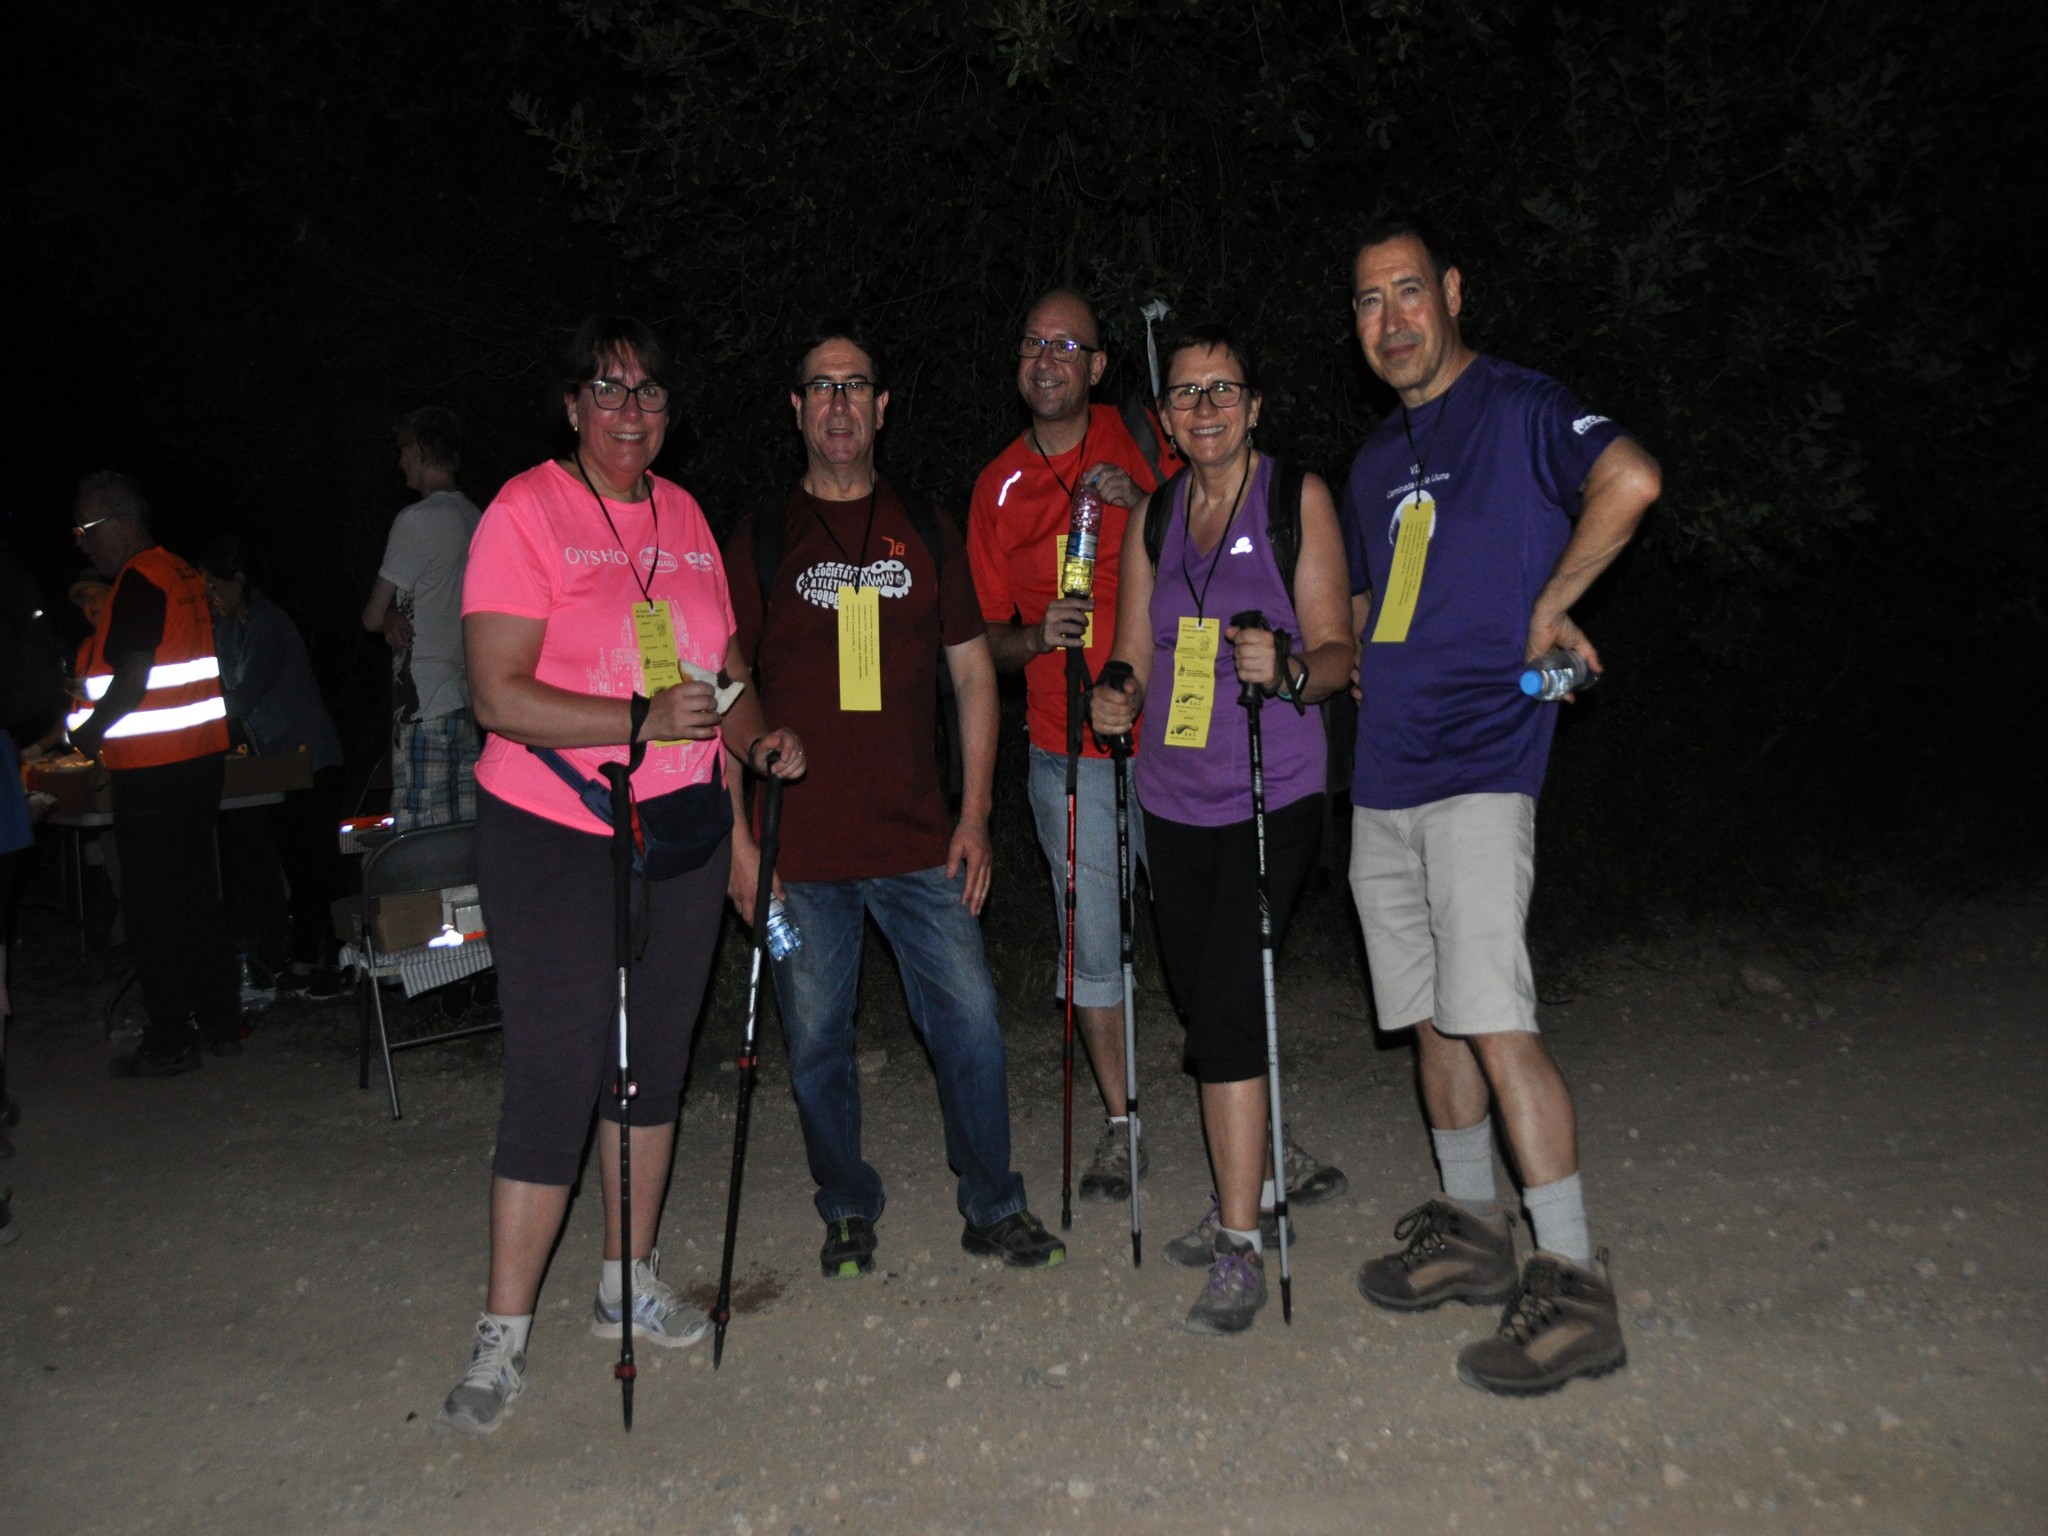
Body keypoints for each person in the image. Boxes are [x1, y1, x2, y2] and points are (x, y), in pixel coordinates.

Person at [439, 315, 803, 1436]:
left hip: (682, 833)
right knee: (556, 1072)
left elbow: (723, 675)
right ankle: (502, 1332)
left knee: (651, 1066)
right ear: (572, 405)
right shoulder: (525, 511)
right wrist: (637, 717)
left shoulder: (685, 517)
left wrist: (755, 746)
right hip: (555, 830)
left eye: (648, 392)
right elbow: (498, 693)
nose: (630, 410)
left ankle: (624, 1282)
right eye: (607, 388)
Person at [1339, 215, 1661, 1396]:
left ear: (1451, 293)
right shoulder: (1373, 462)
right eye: (1367, 302)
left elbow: (1630, 478)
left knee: (1491, 1016)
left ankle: (1570, 1281)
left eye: (1406, 292)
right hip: (1385, 775)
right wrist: (1362, 655)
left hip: (1480, 766)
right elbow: (1377, 601)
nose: (1390, 320)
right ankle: (1472, 1231)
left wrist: (1551, 604)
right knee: (1430, 1018)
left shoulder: (1522, 408)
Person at [970, 290, 1350, 1219]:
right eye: (1034, 344)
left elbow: (1217, 524)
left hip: (1216, 759)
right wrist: (1046, 644)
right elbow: (985, 641)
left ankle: (1257, 1158)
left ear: (1100, 365)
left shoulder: (1149, 447)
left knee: (1226, 966)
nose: (1049, 360)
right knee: (1114, 953)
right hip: (1083, 749)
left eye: (1068, 345)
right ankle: (1126, 1122)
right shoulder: (999, 487)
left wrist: (1136, 492)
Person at [724, 320, 1064, 1282]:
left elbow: (973, 675)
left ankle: (993, 1204)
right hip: (802, 853)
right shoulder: (759, 536)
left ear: (882, 409)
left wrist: (975, 815)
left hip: (921, 841)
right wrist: (744, 834)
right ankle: (844, 1206)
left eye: (855, 387)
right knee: (816, 1044)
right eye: (820, 388)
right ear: (798, 410)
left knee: (972, 1024)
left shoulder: (925, 523)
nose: (838, 405)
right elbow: (721, 680)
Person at [1091, 326, 1355, 1334]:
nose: (1203, 409)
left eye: (1222, 391)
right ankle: (1258, 1181)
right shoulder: (1154, 515)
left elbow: (1336, 653)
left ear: (1253, 406)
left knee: (1233, 1006)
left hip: (1270, 790)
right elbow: (1131, 651)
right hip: (1170, 797)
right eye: (1185, 395)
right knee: (1202, 1001)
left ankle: (1240, 1242)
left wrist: (1285, 671)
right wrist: (1114, 695)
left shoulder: (1296, 499)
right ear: (1163, 417)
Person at [64, 472, 240, 1076]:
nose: (82, 542)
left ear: (120, 522)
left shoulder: (139, 580)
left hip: (152, 769)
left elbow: (134, 678)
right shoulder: (180, 571)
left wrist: (88, 734)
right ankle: (220, 1022)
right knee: (197, 895)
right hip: (199, 759)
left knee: (151, 908)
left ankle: (169, 1039)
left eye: (87, 529)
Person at [199, 537, 351, 1000]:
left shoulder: (271, 624)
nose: (209, 596)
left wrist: (191, 717)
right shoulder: (228, 630)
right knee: (294, 862)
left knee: (316, 863)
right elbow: (217, 687)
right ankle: (304, 959)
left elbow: (241, 697)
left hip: (311, 758)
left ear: (238, 580)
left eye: (214, 586)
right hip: (275, 766)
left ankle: (338, 961)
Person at [363, 406, 481, 829]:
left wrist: (387, 615)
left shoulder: (416, 521)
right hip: (469, 702)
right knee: (464, 833)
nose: (400, 462)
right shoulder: (477, 518)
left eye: (402, 449)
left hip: (425, 703)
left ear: (418, 448)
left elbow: (371, 616)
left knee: (422, 836)